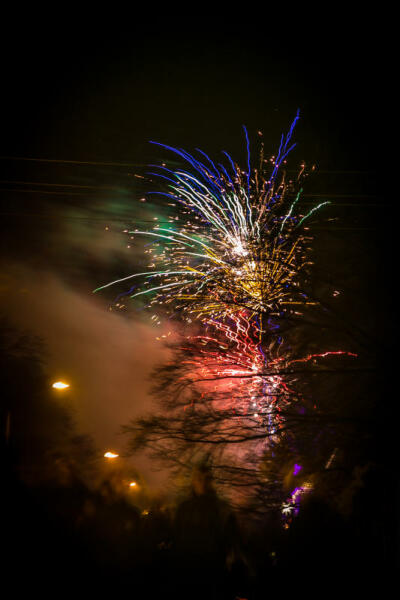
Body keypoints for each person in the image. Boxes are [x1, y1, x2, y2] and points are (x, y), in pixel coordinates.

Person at [172, 463, 248, 599]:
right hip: (189, 576)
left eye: (206, 479)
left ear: (211, 481)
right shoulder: (184, 510)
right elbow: (176, 541)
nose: (202, 483)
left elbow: (233, 543)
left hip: (214, 577)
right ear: (193, 481)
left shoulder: (222, 509)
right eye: (199, 479)